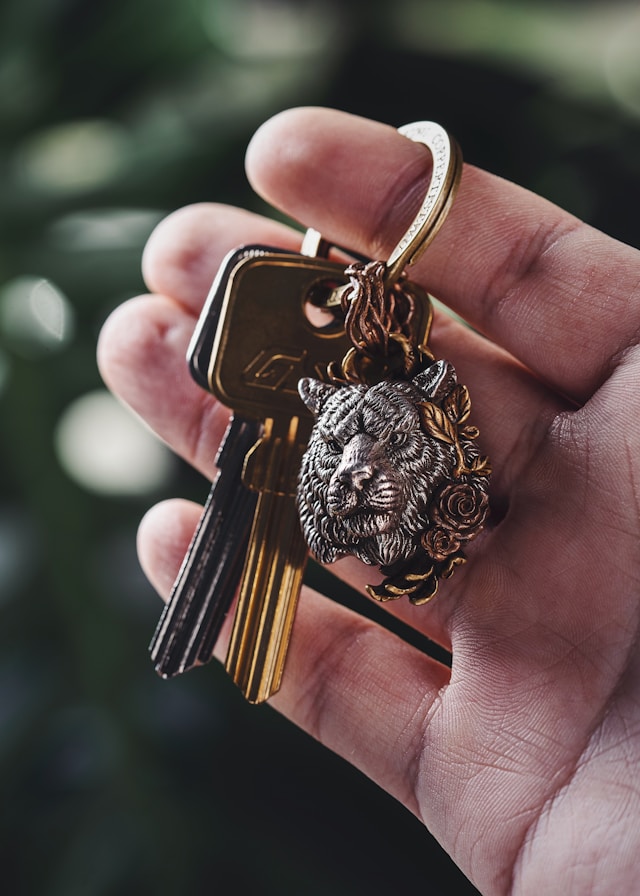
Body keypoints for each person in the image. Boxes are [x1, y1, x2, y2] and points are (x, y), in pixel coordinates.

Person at [97, 107, 640, 894]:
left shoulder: (427, 433)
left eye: (384, 450)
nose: (355, 470)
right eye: (349, 450)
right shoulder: (350, 447)